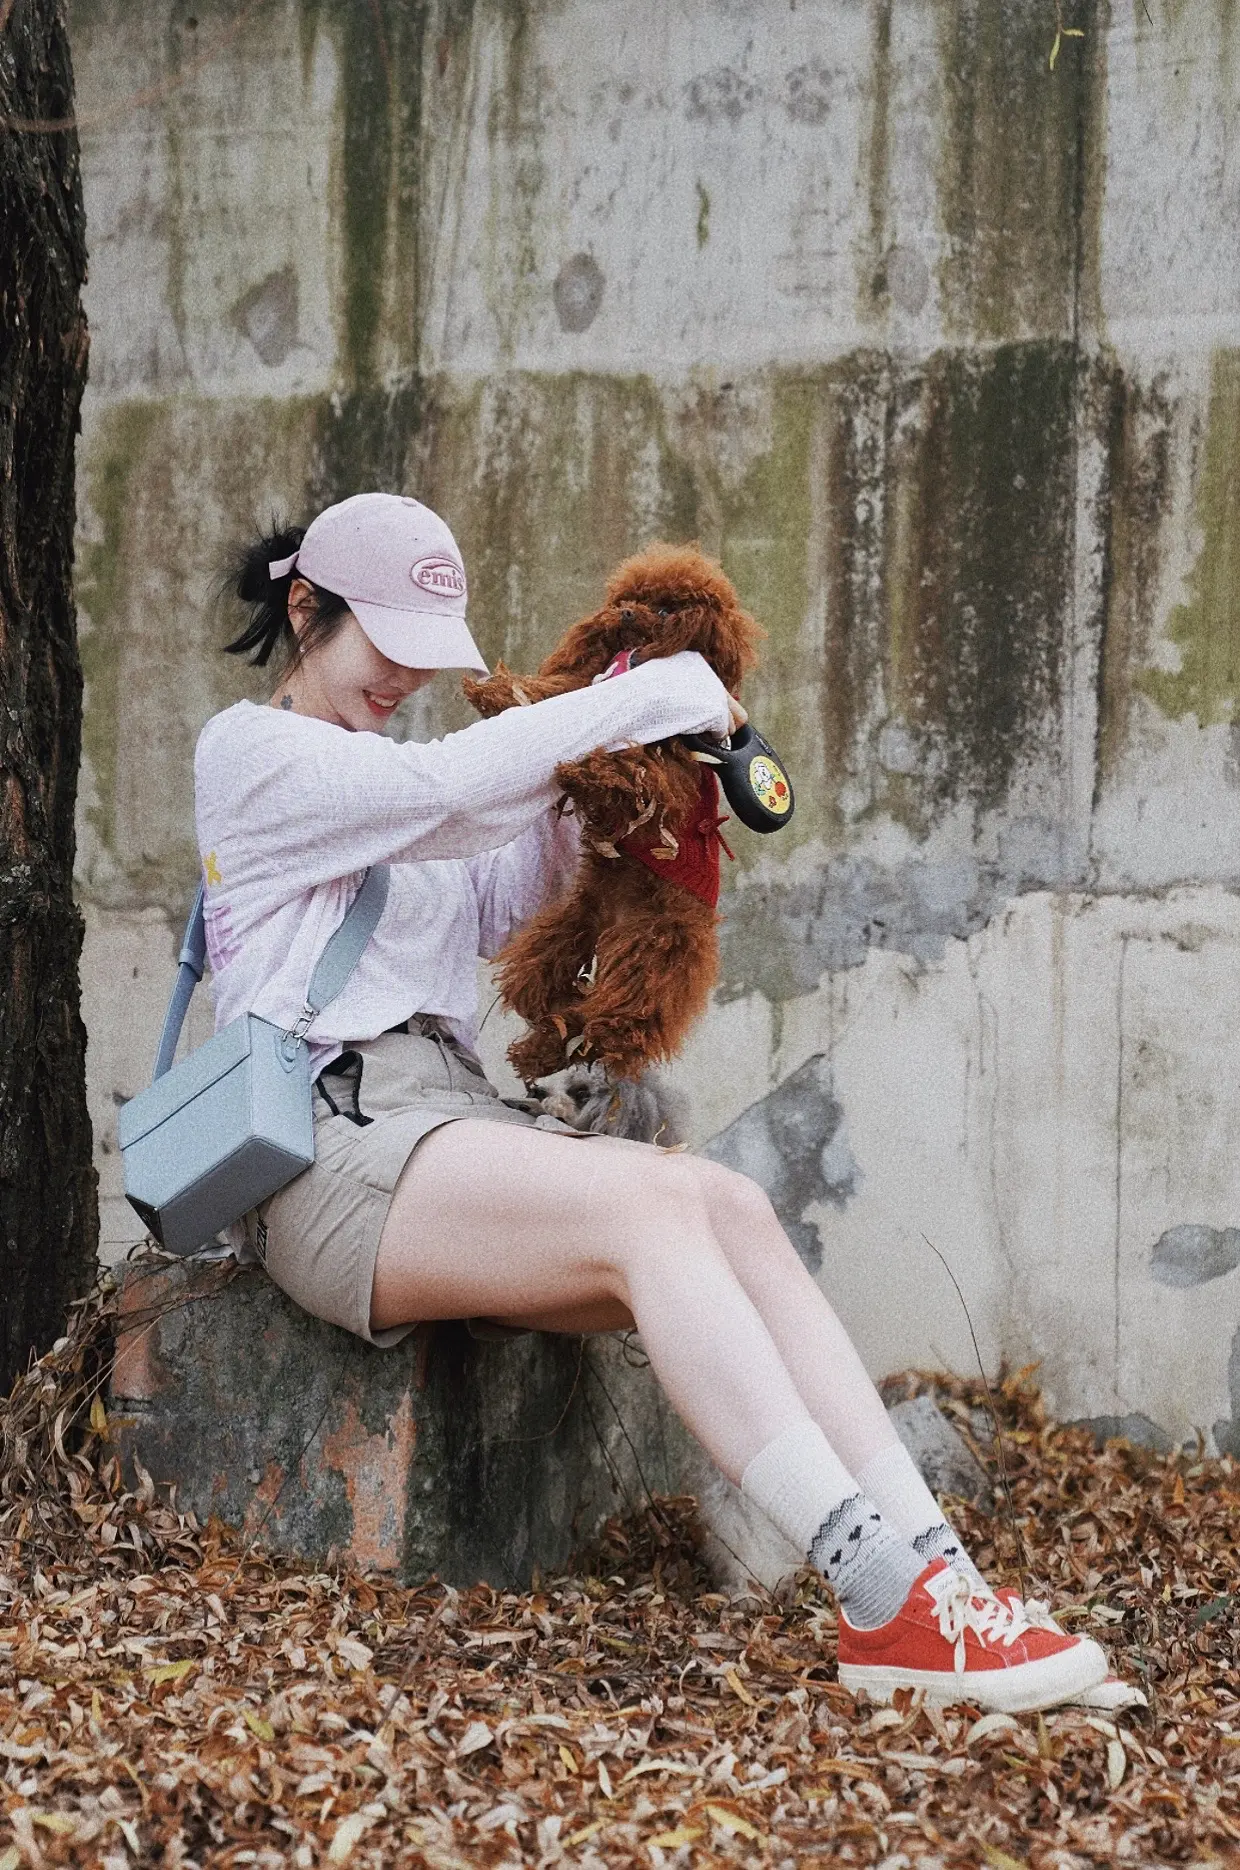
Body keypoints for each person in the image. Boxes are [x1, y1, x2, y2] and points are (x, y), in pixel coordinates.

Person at [195, 491, 1110, 1711]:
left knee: (726, 1204)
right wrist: (652, 693)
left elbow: (508, 895)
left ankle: (944, 1580)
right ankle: (878, 1593)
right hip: (327, 1145)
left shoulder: (400, 782)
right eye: (387, 643)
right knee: (656, 1209)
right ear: (307, 608)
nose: (406, 678)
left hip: (443, 1120)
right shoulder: (251, 756)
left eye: (426, 652)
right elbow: (449, 791)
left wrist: (619, 778)